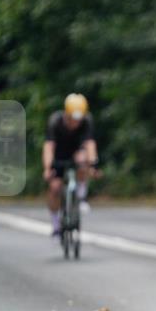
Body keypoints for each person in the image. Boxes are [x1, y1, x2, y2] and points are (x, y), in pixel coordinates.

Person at [43, 93, 98, 237]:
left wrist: (93, 164)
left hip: (76, 151)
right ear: (67, 114)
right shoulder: (55, 121)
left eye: (79, 119)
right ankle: (55, 225)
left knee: (82, 159)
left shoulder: (87, 121)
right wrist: (47, 168)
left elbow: (90, 143)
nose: (76, 122)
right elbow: (49, 147)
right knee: (55, 188)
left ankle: (81, 196)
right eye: (73, 118)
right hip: (59, 153)